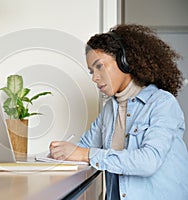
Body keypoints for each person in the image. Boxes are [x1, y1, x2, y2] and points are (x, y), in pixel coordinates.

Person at [49, 24, 188, 199]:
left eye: (99, 66)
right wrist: (59, 153)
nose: (94, 77)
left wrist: (85, 154)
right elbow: (83, 147)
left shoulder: (162, 103)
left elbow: (148, 162)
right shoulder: (110, 108)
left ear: (125, 61)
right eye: (91, 71)